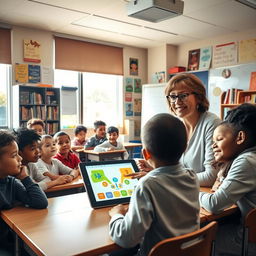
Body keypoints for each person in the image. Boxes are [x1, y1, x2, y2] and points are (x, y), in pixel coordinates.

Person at [109, 113, 200, 256]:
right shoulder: (191, 176)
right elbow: (169, 179)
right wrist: (154, 172)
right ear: (185, 148)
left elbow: (126, 238)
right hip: (189, 251)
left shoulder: (147, 185)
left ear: (145, 154)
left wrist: (117, 215)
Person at [136, 74, 221, 187]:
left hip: (202, 195)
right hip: (181, 191)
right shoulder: (175, 125)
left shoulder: (212, 123)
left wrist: (163, 177)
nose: (177, 101)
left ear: (199, 97)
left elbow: (210, 177)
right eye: (173, 96)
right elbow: (177, 170)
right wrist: (154, 168)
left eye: (183, 95)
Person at [200, 103, 256, 256]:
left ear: (240, 137)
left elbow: (214, 204)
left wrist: (190, 191)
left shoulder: (246, 161)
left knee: (199, 239)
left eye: (219, 139)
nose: (213, 145)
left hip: (249, 242)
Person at [0, 130, 48, 253]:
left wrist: (25, 178)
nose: (20, 158)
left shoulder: (11, 182)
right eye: (14, 155)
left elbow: (41, 202)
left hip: (9, 240)